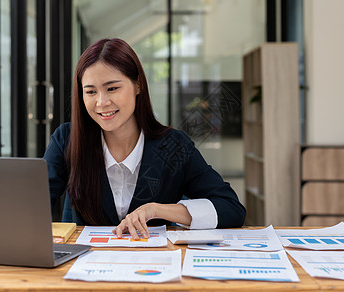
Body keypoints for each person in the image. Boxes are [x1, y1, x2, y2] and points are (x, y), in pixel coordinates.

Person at [43, 38, 246, 240]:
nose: (102, 102)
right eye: (90, 91)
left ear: (138, 85)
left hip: (154, 265)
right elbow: (32, 207)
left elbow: (231, 208)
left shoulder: (174, 146)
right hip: (81, 267)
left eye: (112, 88)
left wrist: (157, 210)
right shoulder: (67, 140)